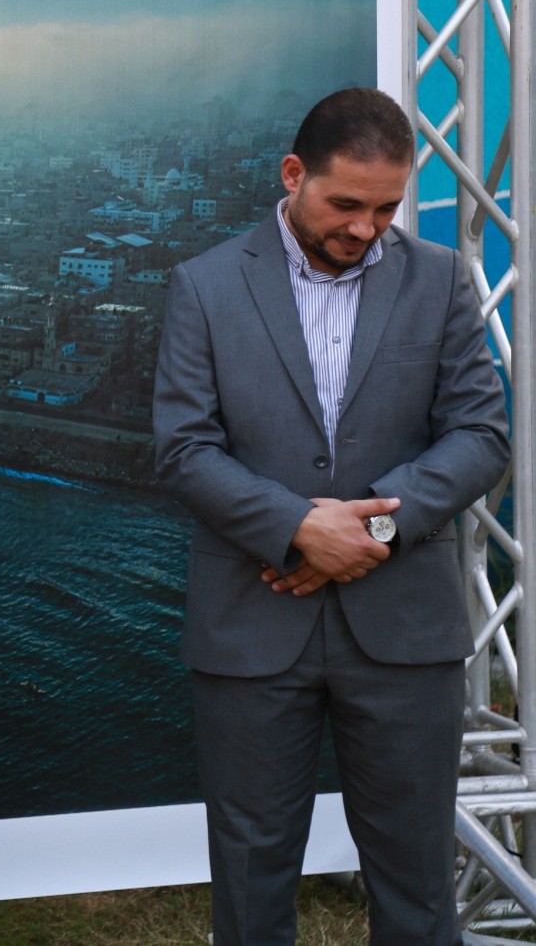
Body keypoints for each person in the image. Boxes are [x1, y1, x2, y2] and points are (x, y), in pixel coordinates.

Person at [153, 87, 509, 945]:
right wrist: (298, 527)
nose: (365, 228)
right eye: (346, 203)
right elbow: (183, 448)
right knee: (250, 882)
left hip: (404, 631)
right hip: (250, 628)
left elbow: (480, 435)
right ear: (293, 174)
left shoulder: (439, 279)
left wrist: (368, 533)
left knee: (418, 885)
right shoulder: (205, 285)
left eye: (386, 208)